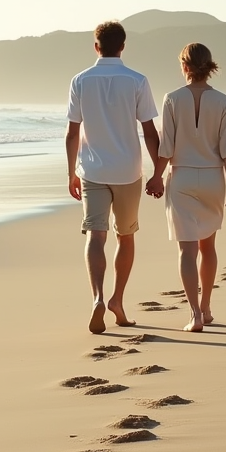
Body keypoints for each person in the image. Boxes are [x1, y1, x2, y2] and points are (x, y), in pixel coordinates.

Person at [66, 20, 161, 334]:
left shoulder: (80, 80)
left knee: (96, 236)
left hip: (92, 170)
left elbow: (72, 132)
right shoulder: (136, 80)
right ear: (123, 46)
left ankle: (97, 297)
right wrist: (158, 171)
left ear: (96, 46)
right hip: (127, 171)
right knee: (126, 236)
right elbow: (149, 132)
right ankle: (117, 301)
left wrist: (71, 173)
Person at [145, 43, 226, 332]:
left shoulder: (172, 99)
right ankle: (208, 307)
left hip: (182, 177)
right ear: (207, 66)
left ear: (185, 66)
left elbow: (167, 146)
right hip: (213, 177)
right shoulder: (223, 101)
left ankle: (195, 314)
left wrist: (156, 177)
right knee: (208, 246)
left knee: (187, 250)